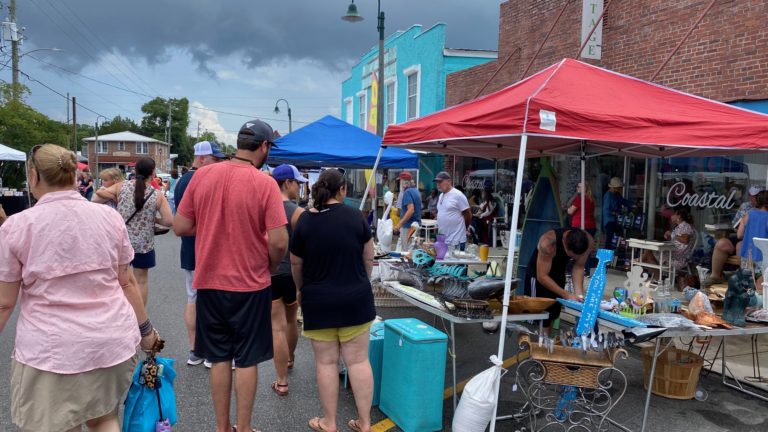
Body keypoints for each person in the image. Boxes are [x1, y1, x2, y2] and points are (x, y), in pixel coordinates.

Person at [0, 144, 161, 432]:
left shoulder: (18, 227)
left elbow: (4, 303)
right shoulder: (108, 217)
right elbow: (127, 282)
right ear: (74, 175)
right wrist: (146, 332)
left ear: (34, 176)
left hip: (54, 350)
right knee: (105, 418)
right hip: (110, 341)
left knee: (60, 424)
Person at [174, 119, 288, 432]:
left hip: (209, 282)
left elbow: (181, 227)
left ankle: (222, 427)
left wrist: (212, 225)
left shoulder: (203, 175)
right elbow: (279, 240)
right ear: (263, 147)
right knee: (247, 360)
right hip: (250, 284)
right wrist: (271, 264)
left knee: (220, 358)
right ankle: (244, 427)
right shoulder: (264, 183)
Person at [290, 168, 375, 432]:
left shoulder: (305, 221)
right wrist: (361, 280)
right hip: (356, 299)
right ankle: (365, 422)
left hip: (319, 301)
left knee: (326, 363)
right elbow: (369, 258)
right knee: (359, 361)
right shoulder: (356, 217)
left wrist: (301, 289)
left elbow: (295, 263)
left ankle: (329, 422)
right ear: (342, 190)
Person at [174, 140, 228, 366]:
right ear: (203, 158)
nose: (219, 164)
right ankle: (212, 351)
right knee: (215, 301)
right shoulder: (209, 179)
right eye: (216, 159)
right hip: (211, 249)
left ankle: (196, 350)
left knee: (193, 298)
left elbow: (180, 220)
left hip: (190, 249)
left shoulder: (182, 182)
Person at [93, 157, 174, 305]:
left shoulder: (121, 187)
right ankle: (139, 317)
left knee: (121, 280)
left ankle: (122, 311)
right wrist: (153, 219)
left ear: (135, 171)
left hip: (121, 242)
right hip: (144, 245)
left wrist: (116, 198)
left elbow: (97, 198)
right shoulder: (157, 195)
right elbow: (169, 221)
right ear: (153, 172)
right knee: (141, 281)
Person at [269, 164, 307, 396]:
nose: (300, 187)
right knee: (291, 320)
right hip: (292, 273)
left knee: (277, 327)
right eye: (297, 183)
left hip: (270, 272)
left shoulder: (263, 207)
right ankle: (290, 359)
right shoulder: (297, 212)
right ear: (287, 183)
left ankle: (282, 380)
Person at [525, 228, 593, 331]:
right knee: (539, 316)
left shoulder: (588, 241)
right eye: (572, 256)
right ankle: (534, 343)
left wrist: (579, 296)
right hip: (539, 274)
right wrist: (566, 294)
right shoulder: (547, 243)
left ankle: (544, 343)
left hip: (559, 272)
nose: (575, 259)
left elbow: (578, 267)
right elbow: (542, 276)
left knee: (552, 314)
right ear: (565, 244)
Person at [704, 185, 763, 286]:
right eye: (753, 196)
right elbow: (736, 227)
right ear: (749, 195)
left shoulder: (764, 210)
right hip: (743, 235)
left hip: (757, 239)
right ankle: (715, 276)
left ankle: (744, 279)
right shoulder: (746, 206)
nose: (755, 198)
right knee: (722, 243)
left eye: (758, 196)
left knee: (740, 246)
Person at [642, 207, 696, 279]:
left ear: (678, 216)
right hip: (673, 254)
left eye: (673, 215)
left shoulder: (686, 226)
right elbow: (678, 240)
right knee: (648, 254)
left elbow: (685, 240)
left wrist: (672, 235)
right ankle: (657, 278)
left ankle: (638, 266)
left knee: (648, 253)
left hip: (679, 258)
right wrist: (670, 237)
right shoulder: (679, 227)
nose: (671, 216)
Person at [435, 171, 472, 250]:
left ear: (449, 181)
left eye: (440, 182)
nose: (438, 184)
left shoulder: (458, 195)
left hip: (456, 240)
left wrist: (464, 229)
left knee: (457, 262)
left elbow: (468, 215)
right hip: (443, 239)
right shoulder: (441, 196)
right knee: (444, 261)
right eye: (437, 182)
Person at [738, 190, 768, 272]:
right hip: (763, 258)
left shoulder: (748, 215)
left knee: (747, 281)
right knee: (760, 282)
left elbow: (739, 235)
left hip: (747, 256)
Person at [602, 177, 633, 249]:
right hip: (609, 221)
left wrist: (632, 204)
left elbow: (623, 201)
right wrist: (615, 213)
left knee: (620, 237)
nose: (619, 189)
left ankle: (619, 254)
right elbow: (606, 210)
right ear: (613, 187)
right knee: (609, 239)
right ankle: (606, 257)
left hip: (616, 220)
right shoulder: (608, 196)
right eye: (618, 188)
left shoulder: (617, 194)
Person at [394, 172, 422, 250]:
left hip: (408, 227)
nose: (399, 183)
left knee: (406, 253)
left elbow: (411, 210)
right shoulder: (416, 191)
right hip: (416, 225)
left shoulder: (407, 192)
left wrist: (399, 224)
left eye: (400, 181)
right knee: (413, 251)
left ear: (404, 182)